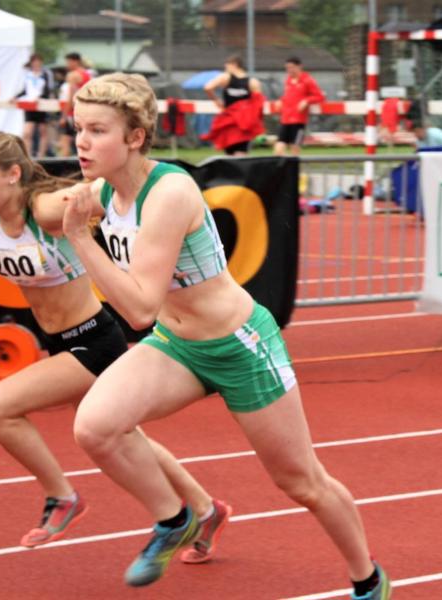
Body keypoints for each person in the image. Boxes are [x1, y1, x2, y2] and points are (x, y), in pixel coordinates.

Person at [59, 73, 391, 598]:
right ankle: (177, 519)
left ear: (135, 137)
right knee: (96, 428)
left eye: (97, 130)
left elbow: (141, 308)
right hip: (178, 345)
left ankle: (367, 578)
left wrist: (78, 236)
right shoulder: (102, 191)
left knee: (300, 481)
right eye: (77, 128)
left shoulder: (168, 192)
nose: (80, 141)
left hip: (239, 346)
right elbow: (49, 207)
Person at [0, 130, 232, 561]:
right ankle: (206, 510)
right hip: (59, 344)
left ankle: (62, 497)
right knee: (125, 436)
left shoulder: (42, 209)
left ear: (13, 175)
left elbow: (100, 194)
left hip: (95, 340)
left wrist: (142, 177)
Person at [200, 54, 265, 156]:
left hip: (230, 121)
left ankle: (231, 170)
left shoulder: (225, 77)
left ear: (234, 65)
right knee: (241, 152)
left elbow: (207, 87)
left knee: (229, 153)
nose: (225, 68)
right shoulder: (253, 82)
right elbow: (258, 104)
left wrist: (216, 100)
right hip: (243, 123)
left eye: (227, 65)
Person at [273, 56, 325, 156]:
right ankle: (282, 170)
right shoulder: (288, 80)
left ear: (299, 67)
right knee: (278, 148)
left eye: (292, 67)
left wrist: (306, 101)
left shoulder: (307, 80)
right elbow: (288, 95)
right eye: (287, 68)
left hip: (298, 120)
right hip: (285, 119)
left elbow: (319, 96)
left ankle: (294, 170)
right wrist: (280, 101)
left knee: (295, 148)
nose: (289, 70)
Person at [13, 53, 55, 158]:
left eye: (38, 61)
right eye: (34, 62)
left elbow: (49, 89)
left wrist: (41, 97)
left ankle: (41, 155)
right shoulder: (28, 74)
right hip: (30, 104)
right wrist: (16, 97)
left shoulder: (46, 73)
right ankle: (27, 154)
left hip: (41, 104)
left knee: (42, 130)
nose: (36, 64)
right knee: (27, 131)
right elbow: (25, 90)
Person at [58, 52, 93, 158]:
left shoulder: (73, 75)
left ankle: (64, 167)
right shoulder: (87, 75)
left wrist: (64, 116)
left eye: (68, 62)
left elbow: (71, 98)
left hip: (73, 112)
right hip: (85, 111)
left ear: (75, 61)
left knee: (65, 141)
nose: (67, 65)